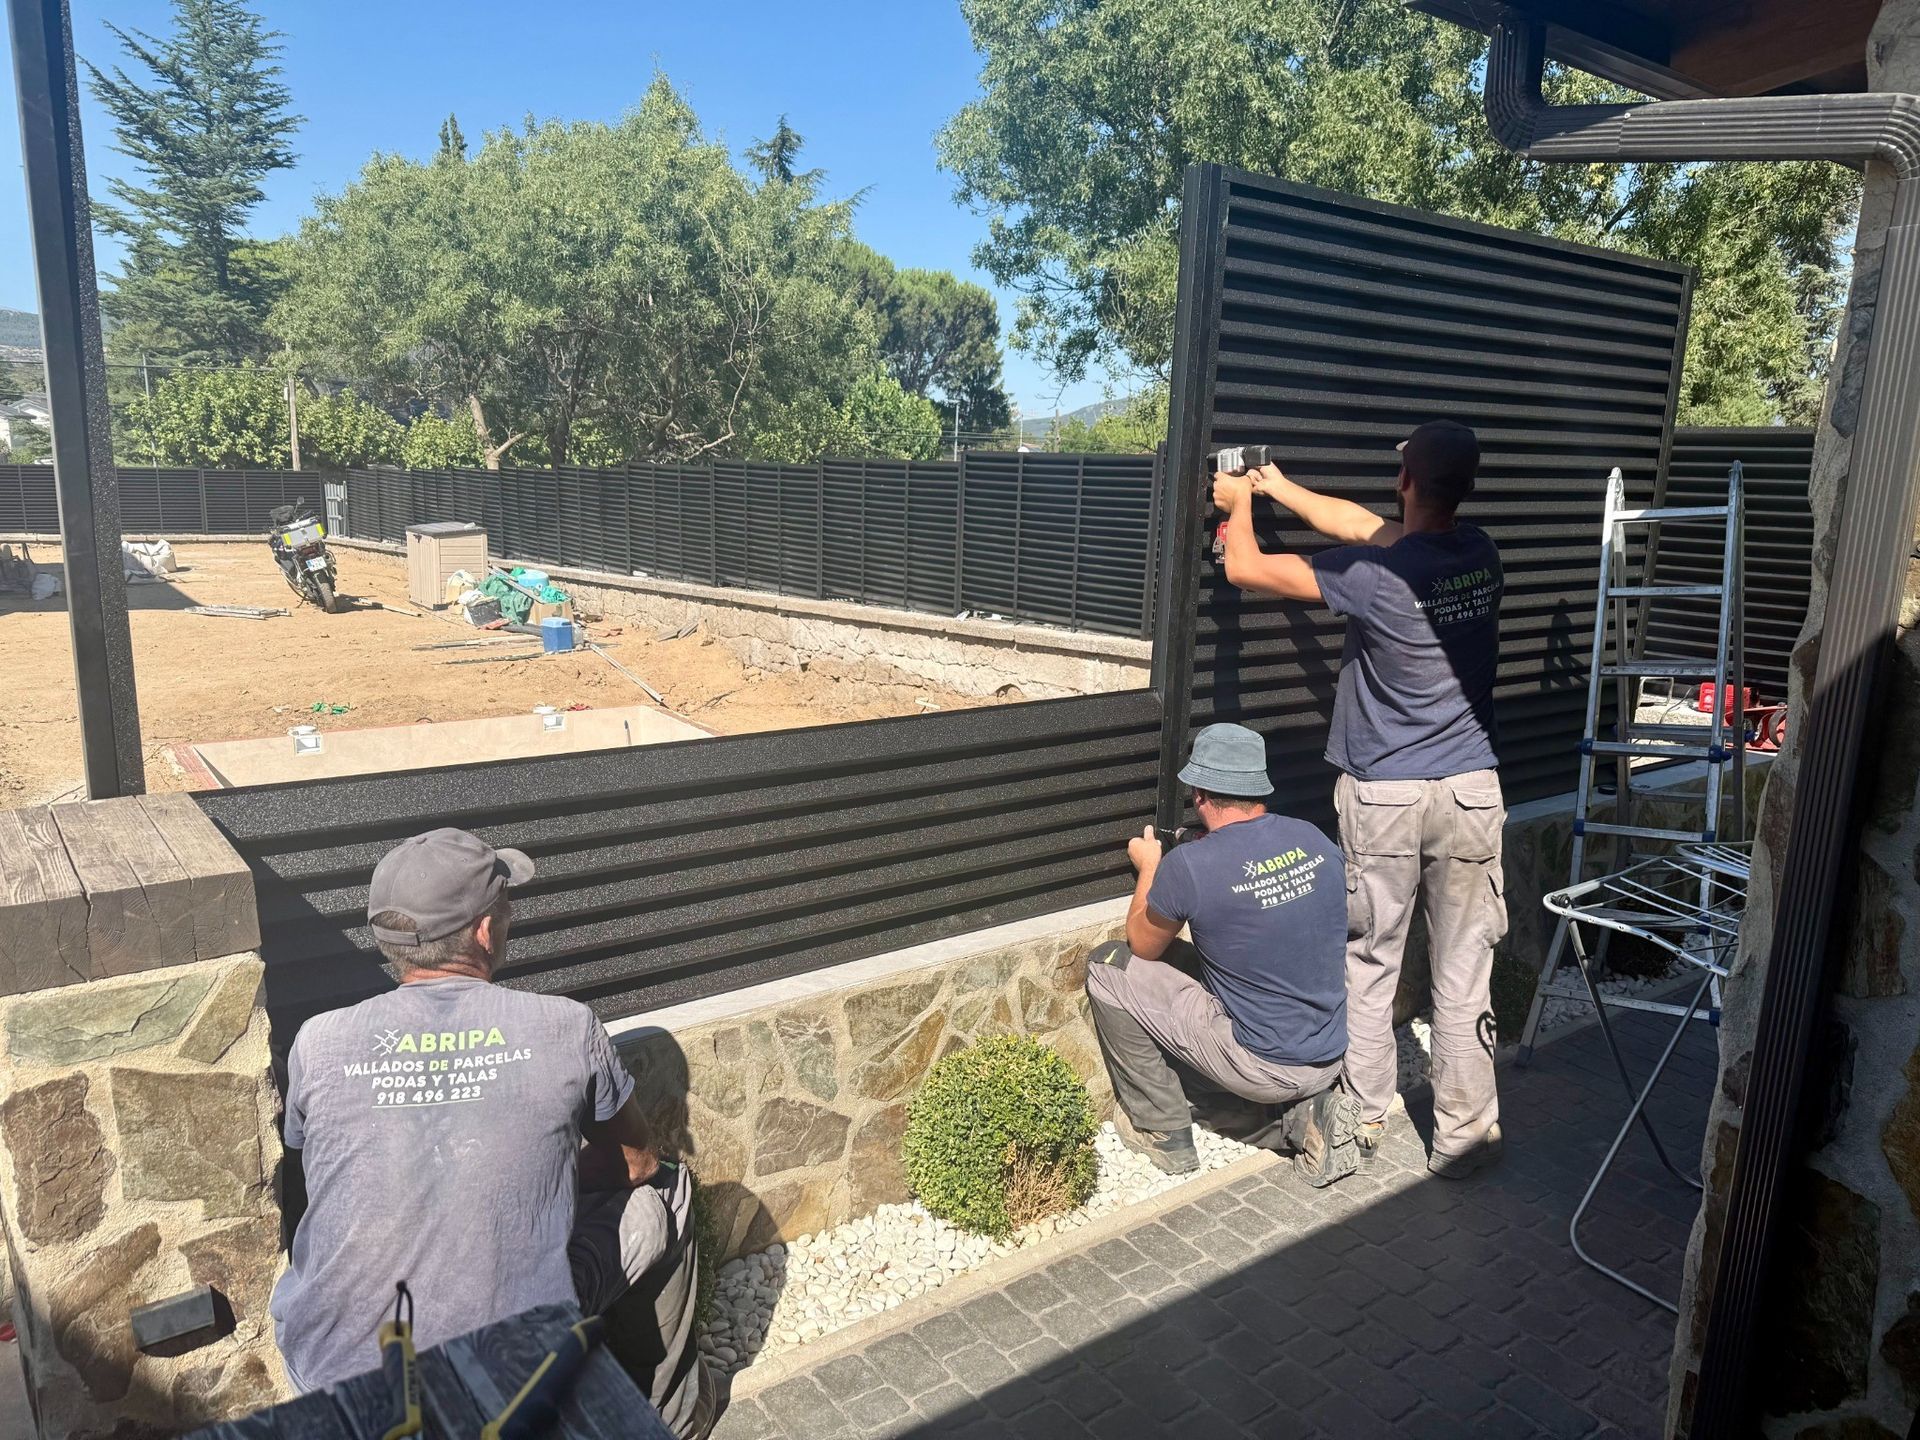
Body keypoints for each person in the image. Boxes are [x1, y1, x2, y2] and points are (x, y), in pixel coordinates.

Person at [270, 828, 714, 1436]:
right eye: (504, 905)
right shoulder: (564, 1027)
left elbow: (314, 1171)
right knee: (666, 1191)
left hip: (329, 1370)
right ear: (484, 931)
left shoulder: (318, 1042)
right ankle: (672, 1418)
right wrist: (540, 1178)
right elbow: (636, 1164)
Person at [1210, 419, 1507, 1179]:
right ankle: (1466, 1138)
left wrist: (1235, 504)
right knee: (1466, 965)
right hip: (1472, 791)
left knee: (1373, 960)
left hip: (1389, 796)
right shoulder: (1479, 556)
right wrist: (1277, 486)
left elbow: (1246, 569)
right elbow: (1361, 526)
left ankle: (1367, 1119)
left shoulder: (1377, 577)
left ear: (1406, 482)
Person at [1085, 722, 1360, 1187]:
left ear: (1198, 795)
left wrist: (1152, 867)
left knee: (1107, 965)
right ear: (1259, 788)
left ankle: (1162, 1129)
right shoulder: (1313, 838)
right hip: (1329, 1054)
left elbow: (1143, 945)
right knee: (1200, 963)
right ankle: (1308, 1118)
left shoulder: (1190, 864)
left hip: (1263, 1065)